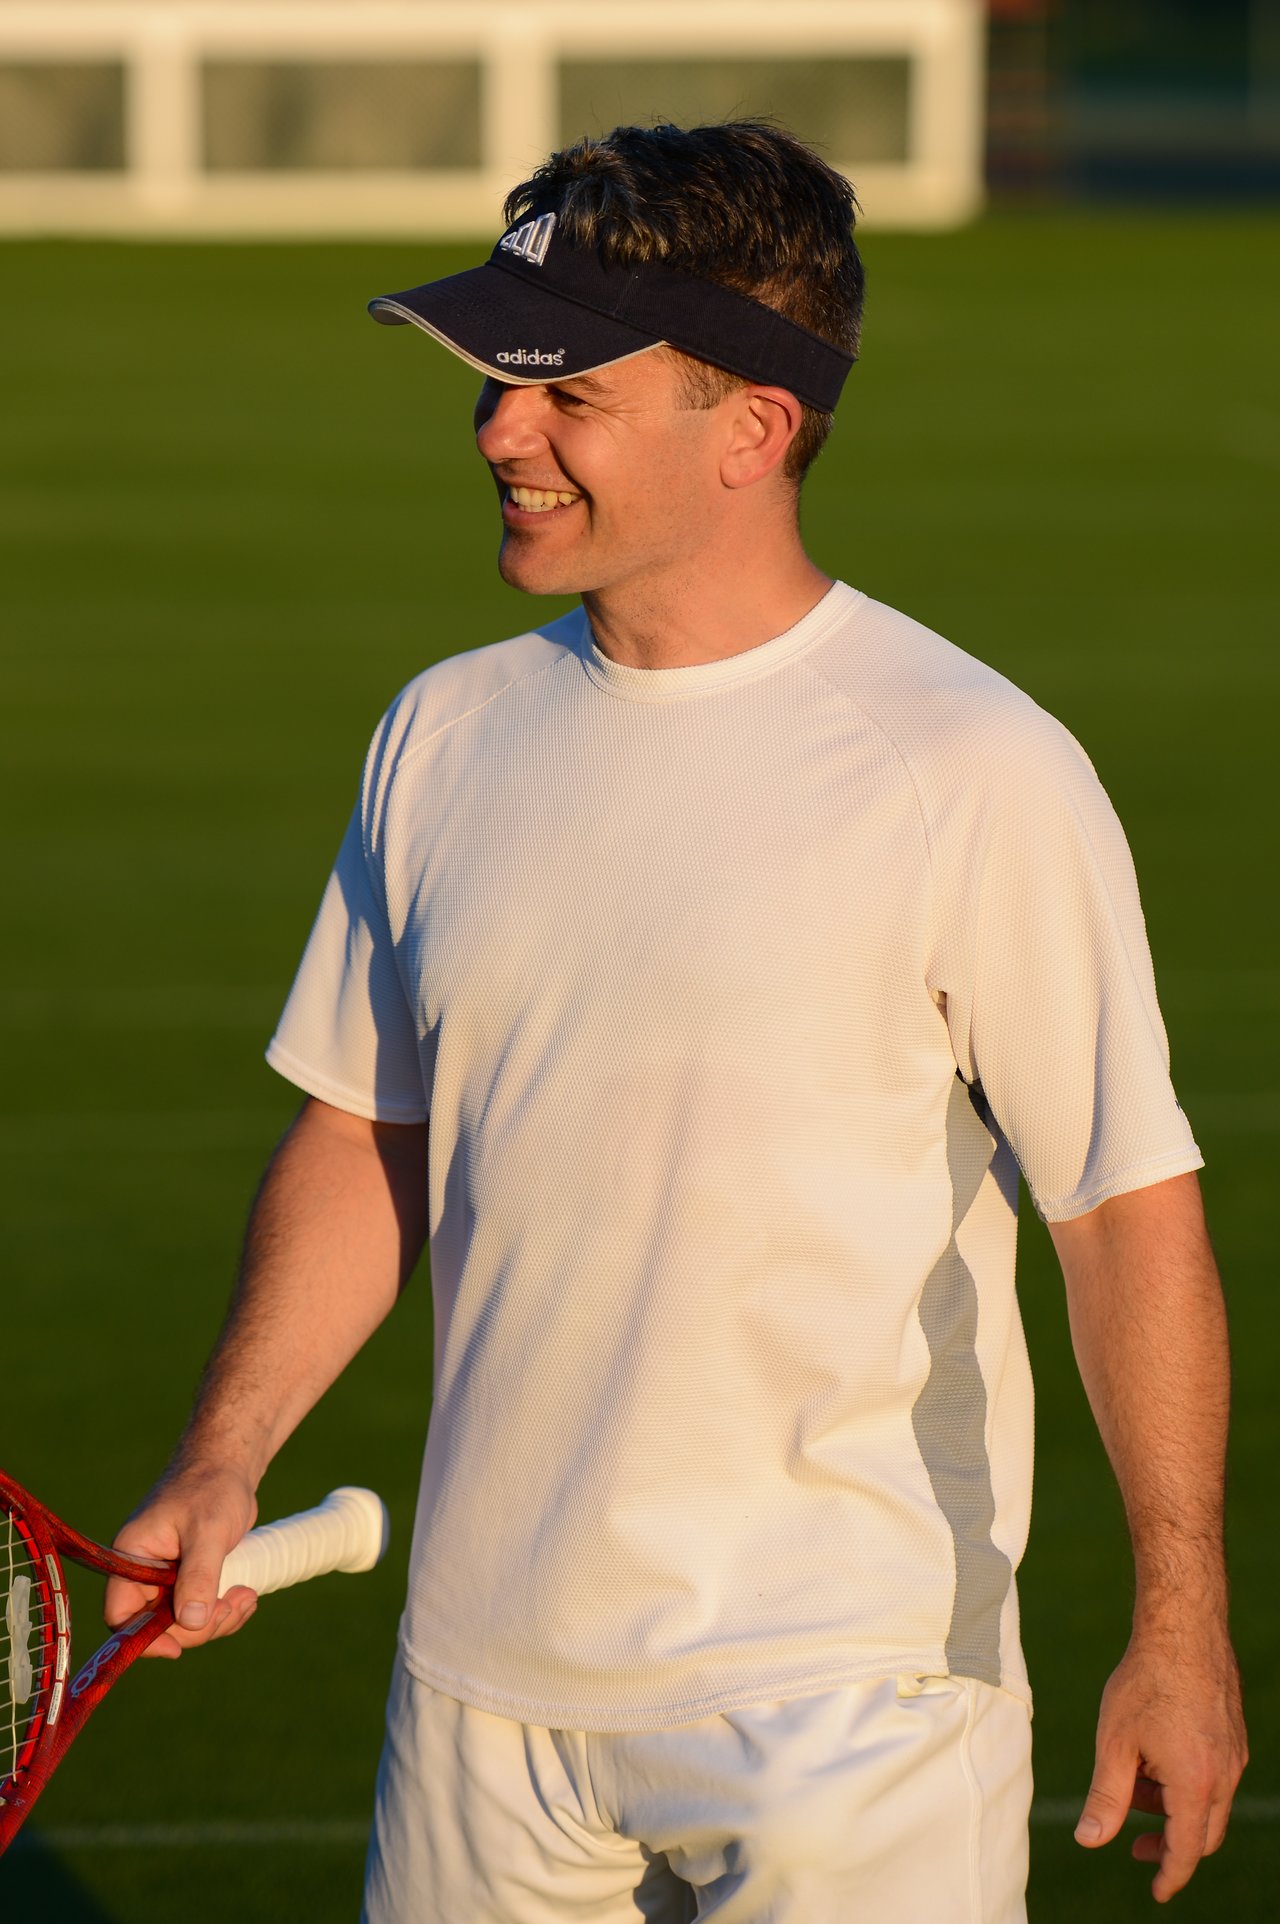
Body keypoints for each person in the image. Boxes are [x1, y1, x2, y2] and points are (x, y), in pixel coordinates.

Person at [106, 121, 1245, 1921]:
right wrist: (228, 1448)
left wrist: (1180, 1621)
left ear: (754, 427)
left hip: (849, 1710)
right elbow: (366, 1128)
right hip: (482, 1701)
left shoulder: (969, 768)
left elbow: (1120, 1211)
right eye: (493, 380)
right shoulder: (443, 734)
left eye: (563, 393)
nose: (496, 431)